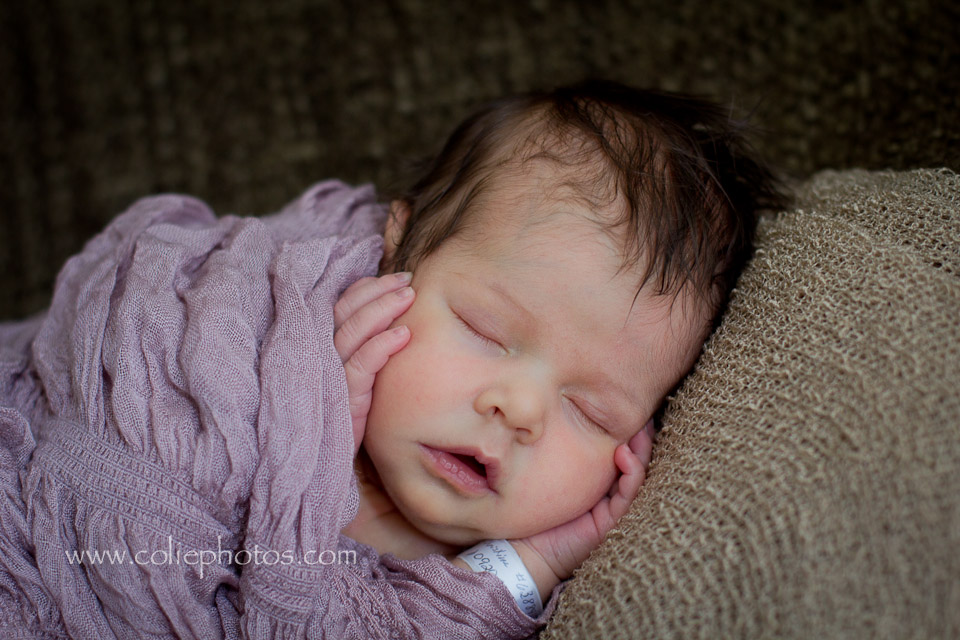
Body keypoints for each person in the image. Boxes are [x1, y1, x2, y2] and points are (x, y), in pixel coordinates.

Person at [0, 80, 783, 637]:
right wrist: (303, 422)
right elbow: (97, 467)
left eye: (591, 410)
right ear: (398, 244)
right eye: (483, 327)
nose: (521, 408)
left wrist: (533, 563)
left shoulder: (471, 571)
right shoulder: (270, 317)